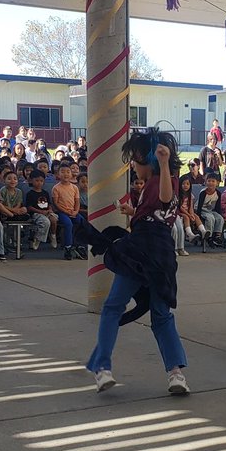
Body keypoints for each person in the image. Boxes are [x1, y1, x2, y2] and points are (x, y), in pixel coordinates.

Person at [82, 129, 189, 396]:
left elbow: (165, 197)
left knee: (113, 306)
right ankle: (176, 374)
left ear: (150, 162)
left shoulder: (164, 179)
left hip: (141, 252)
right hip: (160, 255)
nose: (133, 165)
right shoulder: (150, 186)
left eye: (137, 160)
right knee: (161, 315)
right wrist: (135, 212)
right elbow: (160, 210)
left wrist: (163, 164)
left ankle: (102, 367)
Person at [51, 164, 86, 259]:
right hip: (61, 212)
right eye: (62, 172)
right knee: (68, 224)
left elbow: (77, 201)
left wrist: (75, 211)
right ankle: (68, 247)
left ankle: (80, 245)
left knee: (82, 222)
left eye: (68, 172)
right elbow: (56, 204)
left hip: (73, 211)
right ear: (58, 174)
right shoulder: (56, 188)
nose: (65, 174)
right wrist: (66, 212)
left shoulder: (74, 188)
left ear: (71, 174)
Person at [25, 170, 59, 251]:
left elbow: (49, 203)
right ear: (31, 180)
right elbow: (29, 207)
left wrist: (50, 209)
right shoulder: (30, 193)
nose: (39, 183)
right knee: (45, 222)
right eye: (37, 180)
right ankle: (37, 239)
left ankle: (53, 235)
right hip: (36, 214)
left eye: (41, 181)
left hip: (46, 212)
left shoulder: (45, 193)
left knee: (53, 220)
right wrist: (40, 212)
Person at [197, 171, 225, 248]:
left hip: (211, 210)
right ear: (205, 182)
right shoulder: (203, 193)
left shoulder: (218, 193)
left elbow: (218, 207)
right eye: (209, 181)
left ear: (217, 183)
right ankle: (208, 236)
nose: (211, 183)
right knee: (210, 218)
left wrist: (219, 214)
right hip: (202, 209)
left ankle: (217, 235)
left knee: (220, 218)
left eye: (213, 181)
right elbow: (199, 206)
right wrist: (198, 215)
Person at [178, 174, 206, 244]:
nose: (185, 185)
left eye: (187, 184)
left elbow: (190, 207)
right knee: (186, 217)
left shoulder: (190, 195)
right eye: (183, 184)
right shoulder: (179, 195)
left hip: (188, 212)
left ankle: (203, 231)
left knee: (196, 216)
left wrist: (192, 214)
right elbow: (180, 207)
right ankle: (190, 234)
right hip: (180, 212)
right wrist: (188, 215)